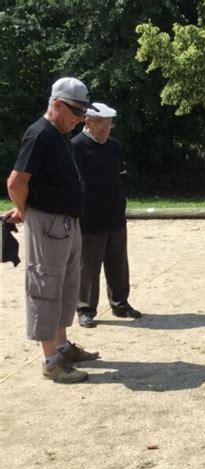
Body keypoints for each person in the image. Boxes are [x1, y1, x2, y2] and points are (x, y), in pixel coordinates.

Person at [6, 77, 100, 383]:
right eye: (76, 111)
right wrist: (23, 210)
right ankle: (50, 360)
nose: (81, 118)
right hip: (47, 223)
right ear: (57, 104)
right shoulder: (40, 134)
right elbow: (16, 181)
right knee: (45, 288)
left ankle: (61, 346)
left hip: (65, 223)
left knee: (65, 288)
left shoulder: (59, 133)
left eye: (84, 111)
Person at [72, 102, 141, 328]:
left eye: (109, 124)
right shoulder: (75, 146)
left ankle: (120, 303)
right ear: (87, 121)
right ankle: (85, 309)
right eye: (100, 123)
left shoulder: (113, 146)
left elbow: (120, 176)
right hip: (89, 217)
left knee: (119, 263)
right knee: (88, 267)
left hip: (115, 215)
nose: (105, 128)